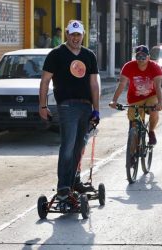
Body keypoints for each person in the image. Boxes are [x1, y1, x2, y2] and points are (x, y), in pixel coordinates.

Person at [39, 20, 100, 200]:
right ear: (66, 34)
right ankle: (63, 187)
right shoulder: (56, 54)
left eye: (78, 34)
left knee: (79, 146)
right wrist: (42, 105)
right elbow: (45, 81)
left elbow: (94, 84)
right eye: (72, 34)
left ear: (83, 35)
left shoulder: (89, 55)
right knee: (67, 146)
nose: (75, 38)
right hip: (66, 106)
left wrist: (96, 110)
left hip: (85, 106)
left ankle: (74, 181)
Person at [109, 45, 162, 145]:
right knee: (134, 124)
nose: (141, 59)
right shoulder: (128, 66)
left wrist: (160, 102)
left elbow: (157, 86)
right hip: (134, 98)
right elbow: (122, 84)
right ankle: (132, 154)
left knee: (154, 109)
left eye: (143, 56)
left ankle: (151, 132)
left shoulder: (155, 67)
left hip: (151, 96)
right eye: (138, 56)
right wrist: (114, 100)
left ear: (148, 57)